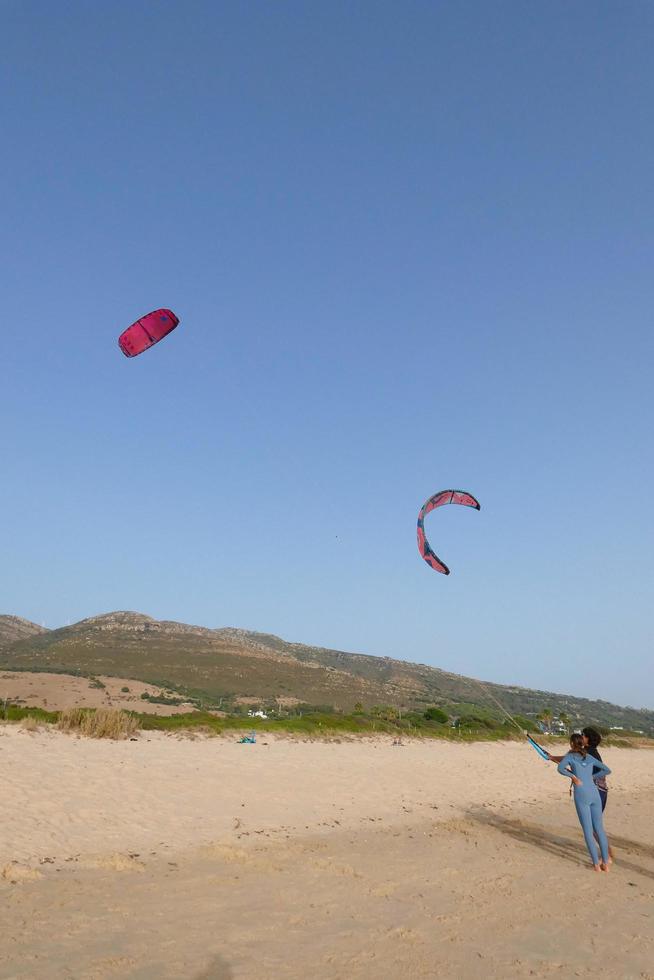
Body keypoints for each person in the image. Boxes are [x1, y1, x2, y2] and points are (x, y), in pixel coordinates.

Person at [557, 733, 611, 872]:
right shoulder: (589, 756)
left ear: (571, 743)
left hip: (581, 793)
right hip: (594, 793)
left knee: (588, 830)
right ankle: (605, 863)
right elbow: (607, 770)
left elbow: (560, 768)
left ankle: (596, 865)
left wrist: (573, 777)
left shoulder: (570, 756)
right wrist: (592, 777)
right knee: (599, 829)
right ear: (582, 743)